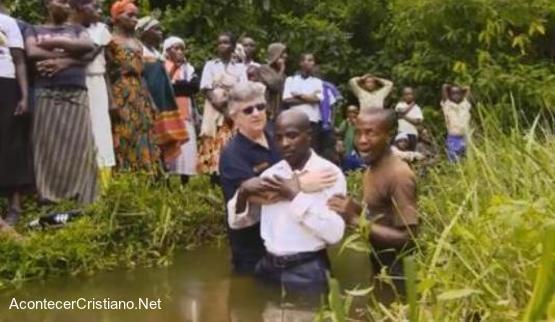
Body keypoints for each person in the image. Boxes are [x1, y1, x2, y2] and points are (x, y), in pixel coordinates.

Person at [227, 109, 346, 298]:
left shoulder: (329, 174)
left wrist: (294, 195)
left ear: (309, 136)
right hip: (268, 267)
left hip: (307, 270)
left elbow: (335, 233)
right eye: (279, 137)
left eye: (292, 136)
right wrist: (243, 192)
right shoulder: (271, 174)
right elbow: (239, 222)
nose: (284, 144)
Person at [328, 109, 418, 294]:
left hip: (398, 267)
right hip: (379, 259)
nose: (362, 140)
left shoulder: (399, 175)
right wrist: (358, 208)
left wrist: (354, 220)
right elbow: (383, 215)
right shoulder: (372, 167)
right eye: (358, 132)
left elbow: (409, 237)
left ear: (389, 135)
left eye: (371, 133)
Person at [25, 0, 99, 204]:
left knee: (81, 146)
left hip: (76, 93)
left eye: (68, 2)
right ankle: (50, 199)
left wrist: (53, 47)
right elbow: (32, 52)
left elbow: (88, 47)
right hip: (45, 92)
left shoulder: (77, 29)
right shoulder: (33, 28)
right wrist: (70, 53)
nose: (66, 4)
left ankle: (84, 200)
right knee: (47, 148)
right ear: (48, 3)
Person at [106, 0, 161, 173]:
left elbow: (142, 74)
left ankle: (145, 174)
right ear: (116, 17)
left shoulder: (137, 44)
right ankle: (124, 173)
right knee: (124, 132)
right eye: (129, 15)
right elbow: (106, 73)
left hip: (139, 92)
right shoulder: (110, 41)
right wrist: (111, 101)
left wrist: (151, 100)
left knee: (143, 131)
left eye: (136, 15)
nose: (134, 19)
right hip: (120, 90)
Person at [71, 0, 116, 189]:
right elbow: (84, 58)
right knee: (81, 131)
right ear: (80, 8)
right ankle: (82, 183)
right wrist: (100, 43)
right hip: (77, 82)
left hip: (97, 83)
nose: (99, 11)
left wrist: (111, 98)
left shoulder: (101, 29)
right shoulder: (70, 30)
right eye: (94, 7)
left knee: (102, 131)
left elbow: (106, 67)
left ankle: (104, 184)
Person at [137, 16, 187, 167]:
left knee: (163, 138)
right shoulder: (140, 51)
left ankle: (161, 171)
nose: (160, 33)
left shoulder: (156, 53)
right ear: (145, 32)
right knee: (151, 137)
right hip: (150, 102)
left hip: (164, 103)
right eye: (156, 29)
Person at [198, 32, 247, 181]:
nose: (222, 46)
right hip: (214, 108)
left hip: (233, 108)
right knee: (214, 138)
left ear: (232, 46)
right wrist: (220, 105)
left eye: (226, 43)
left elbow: (242, 88)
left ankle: (230, 173)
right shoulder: (211, 65)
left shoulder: (240, 67)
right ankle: (213, 175)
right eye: (219, 43)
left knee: (230, 139)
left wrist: (229, 109)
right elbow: (206, 88)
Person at [0, 3, 32, 226]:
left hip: (6, 84)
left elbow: (20, 61)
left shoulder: (8, 22)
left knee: (10, 141)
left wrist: (24, 96)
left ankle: (15, 205)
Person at [164, 36, 200, 186]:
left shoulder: (188, 68)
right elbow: (166, 86)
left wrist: (179, 86)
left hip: (186, 113)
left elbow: (194, 87)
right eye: (175, 48)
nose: (179, 52)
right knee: (171, 145)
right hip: (169, 113)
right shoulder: (163, 66)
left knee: (187, 147)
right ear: (167, 50)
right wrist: (181, 85)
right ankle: (166, 181)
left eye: (181, 48)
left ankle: (184, 181)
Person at [282, 53, 325, 154]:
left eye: (312, 61)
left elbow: (318, 99)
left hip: (312, 121)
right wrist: (310, 97)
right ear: (301, 63)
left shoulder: (317, 82)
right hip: (294, 121)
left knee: (312, 150)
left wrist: (299, 95)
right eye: (308, 60)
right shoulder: (291, 80)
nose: (311, 63)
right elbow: (287, 100)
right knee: (294, 149)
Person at [255, 42, 287, 122]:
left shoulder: (283, 74)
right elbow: (275, 85)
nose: (285, 56)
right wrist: (282, 69)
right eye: (283, 53)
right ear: (276, 54)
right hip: (268, 112)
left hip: (280, 113)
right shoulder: (264, 69)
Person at [441, 84, 472, 162]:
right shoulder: (447, 105)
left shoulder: (465, 105)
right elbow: (444, 87)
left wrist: (462, 88)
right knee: (454, 161)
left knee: (466, 160)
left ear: (462, 94)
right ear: (449, 95)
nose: (456, 95)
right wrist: (449, 87)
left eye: (458, 93)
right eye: (453, 93)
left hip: (465, 137)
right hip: (453, 137)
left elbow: (468, 88)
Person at [394, 87, 423, 151]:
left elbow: (417, 122)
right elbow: (402, 111)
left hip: (413, 134)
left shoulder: (417, 108)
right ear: (403, 96)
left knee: (411, 153)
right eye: (406, 94)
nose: (409, 96)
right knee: (402, 153)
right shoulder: (400, 105)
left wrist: (404, 117)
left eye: (410, 94)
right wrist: (412, 104)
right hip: (402, 133)